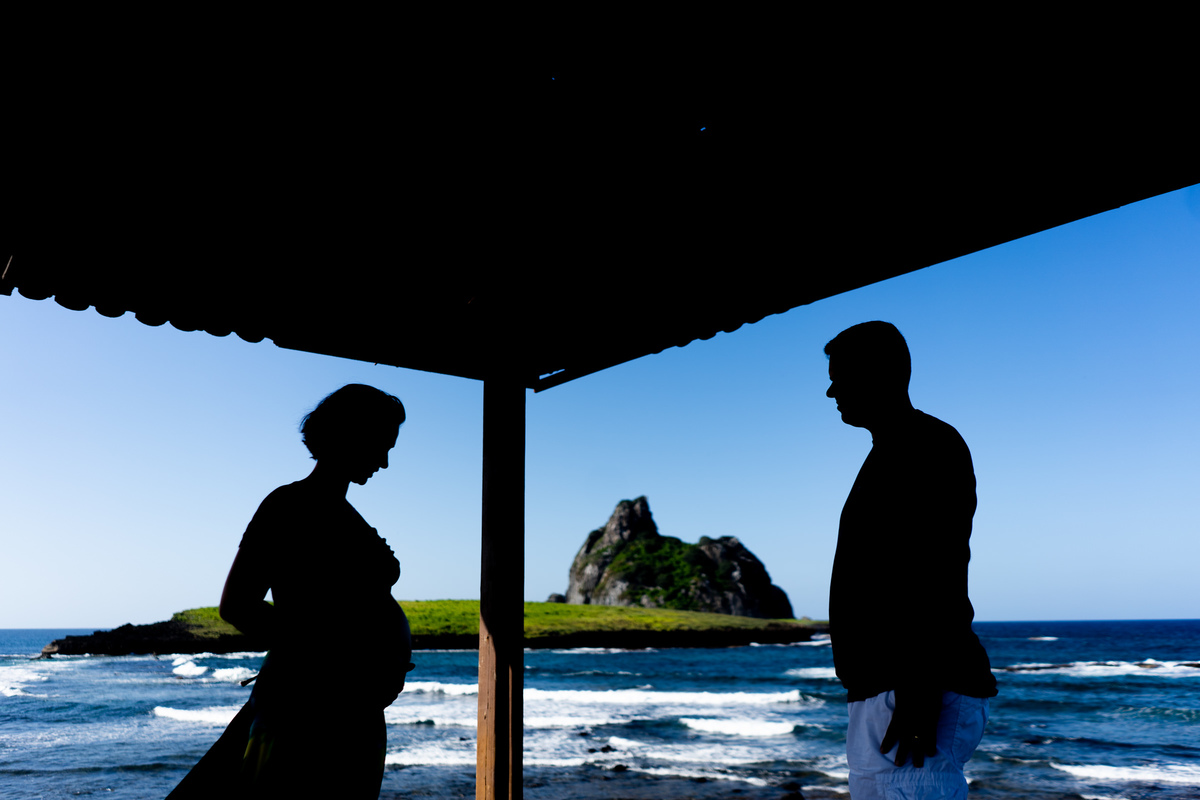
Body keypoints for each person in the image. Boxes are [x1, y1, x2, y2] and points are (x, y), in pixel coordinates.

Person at [168, 384, 414, 799]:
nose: (384, 462)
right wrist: (342, 658)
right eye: (380, 446)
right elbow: (237, 606)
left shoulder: (345, 513)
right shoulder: (288, 505)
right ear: (348, 435)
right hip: (307, 711)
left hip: (351, 711)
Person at [823, 322, 996, 799]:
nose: (831, 391)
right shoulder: (897, 447)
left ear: (878, 374)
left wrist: (919, 687)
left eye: (840, 378)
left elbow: (932, 567)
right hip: (894, 686)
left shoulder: (924, 445)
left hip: (912, 688)